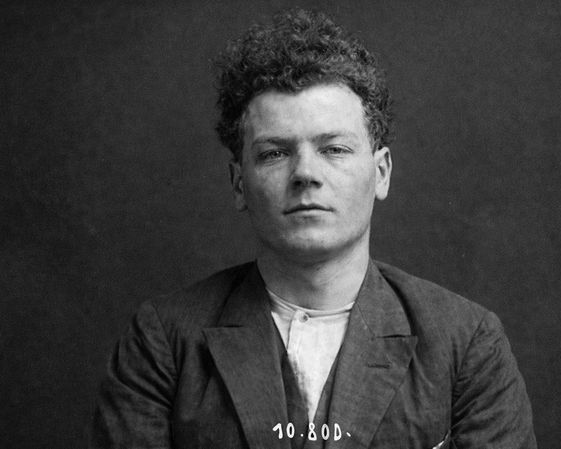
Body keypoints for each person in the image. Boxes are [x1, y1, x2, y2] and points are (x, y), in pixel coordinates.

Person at [89, 9, 537, 449]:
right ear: (239, 183)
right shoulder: (162, 342)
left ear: (381, 173)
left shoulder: (467, 343)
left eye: (334, 149)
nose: (305, 173)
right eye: (274, 153)